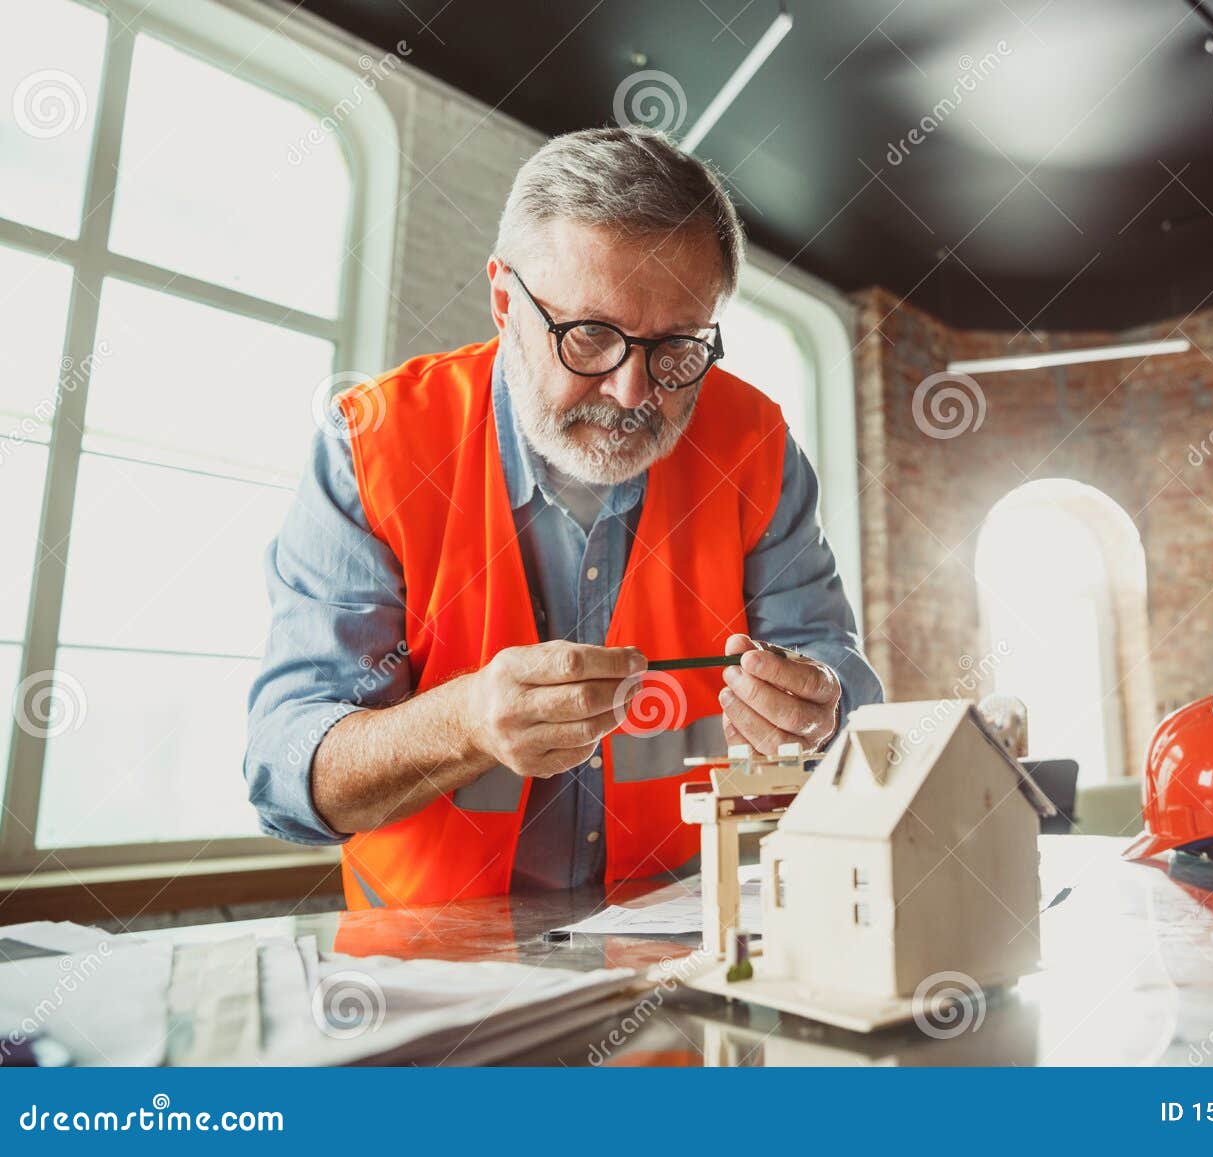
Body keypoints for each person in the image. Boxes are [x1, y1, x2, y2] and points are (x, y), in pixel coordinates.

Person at [245, 126, 881, 908]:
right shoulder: (375, 446)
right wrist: (468, 724)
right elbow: (284, 774)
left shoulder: (754, 447)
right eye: (589, 336)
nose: (631, 391)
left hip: (679, 961)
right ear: (505, 301)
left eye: (677, 348)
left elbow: (845, 687)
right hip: (427, 983)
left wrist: (819, 704)